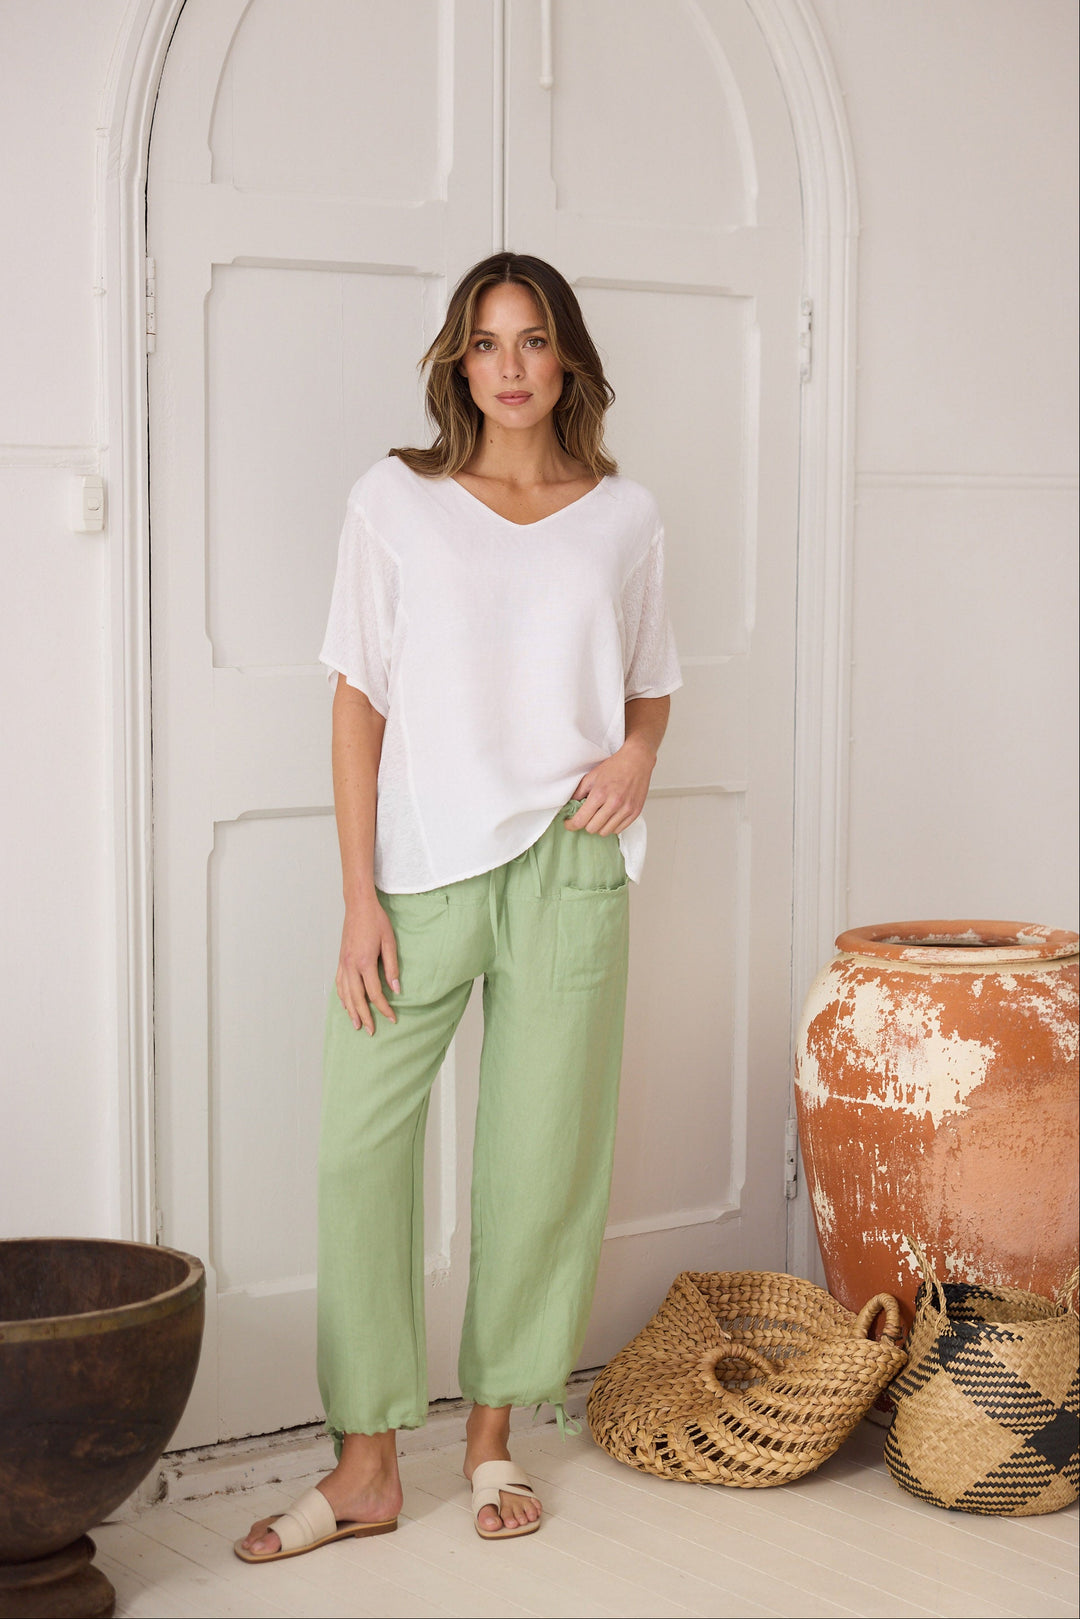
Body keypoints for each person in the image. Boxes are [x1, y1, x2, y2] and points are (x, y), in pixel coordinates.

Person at [237, 251, 682, 1561]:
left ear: (568, 357)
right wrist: (357, 896)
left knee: (542, 1160)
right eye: (486, 342)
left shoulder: (625, 516)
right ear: (457, 362)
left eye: (532, 339)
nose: (510, 366)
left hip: (571, 862)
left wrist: (639, 756)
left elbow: (650, 681)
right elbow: (356, 699)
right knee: (359, 1151)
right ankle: (368, 1463)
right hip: (420, 866)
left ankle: (492, 1440)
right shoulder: (397, 501)